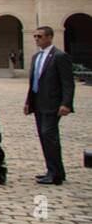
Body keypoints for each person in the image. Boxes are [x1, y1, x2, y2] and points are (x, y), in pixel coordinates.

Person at [25, 25, 75, 185]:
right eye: (35, 36)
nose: (36, 39)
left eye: (39, 36)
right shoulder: (36, 57)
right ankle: (55, 171)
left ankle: (54, 174)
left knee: (49, 136)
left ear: (49, 37)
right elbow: (33, 82)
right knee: (45, 137)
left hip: (53, 104)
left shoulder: (60, 56)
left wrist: (66, 103)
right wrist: (28, 102)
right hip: (38, 103)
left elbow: (68, 83)